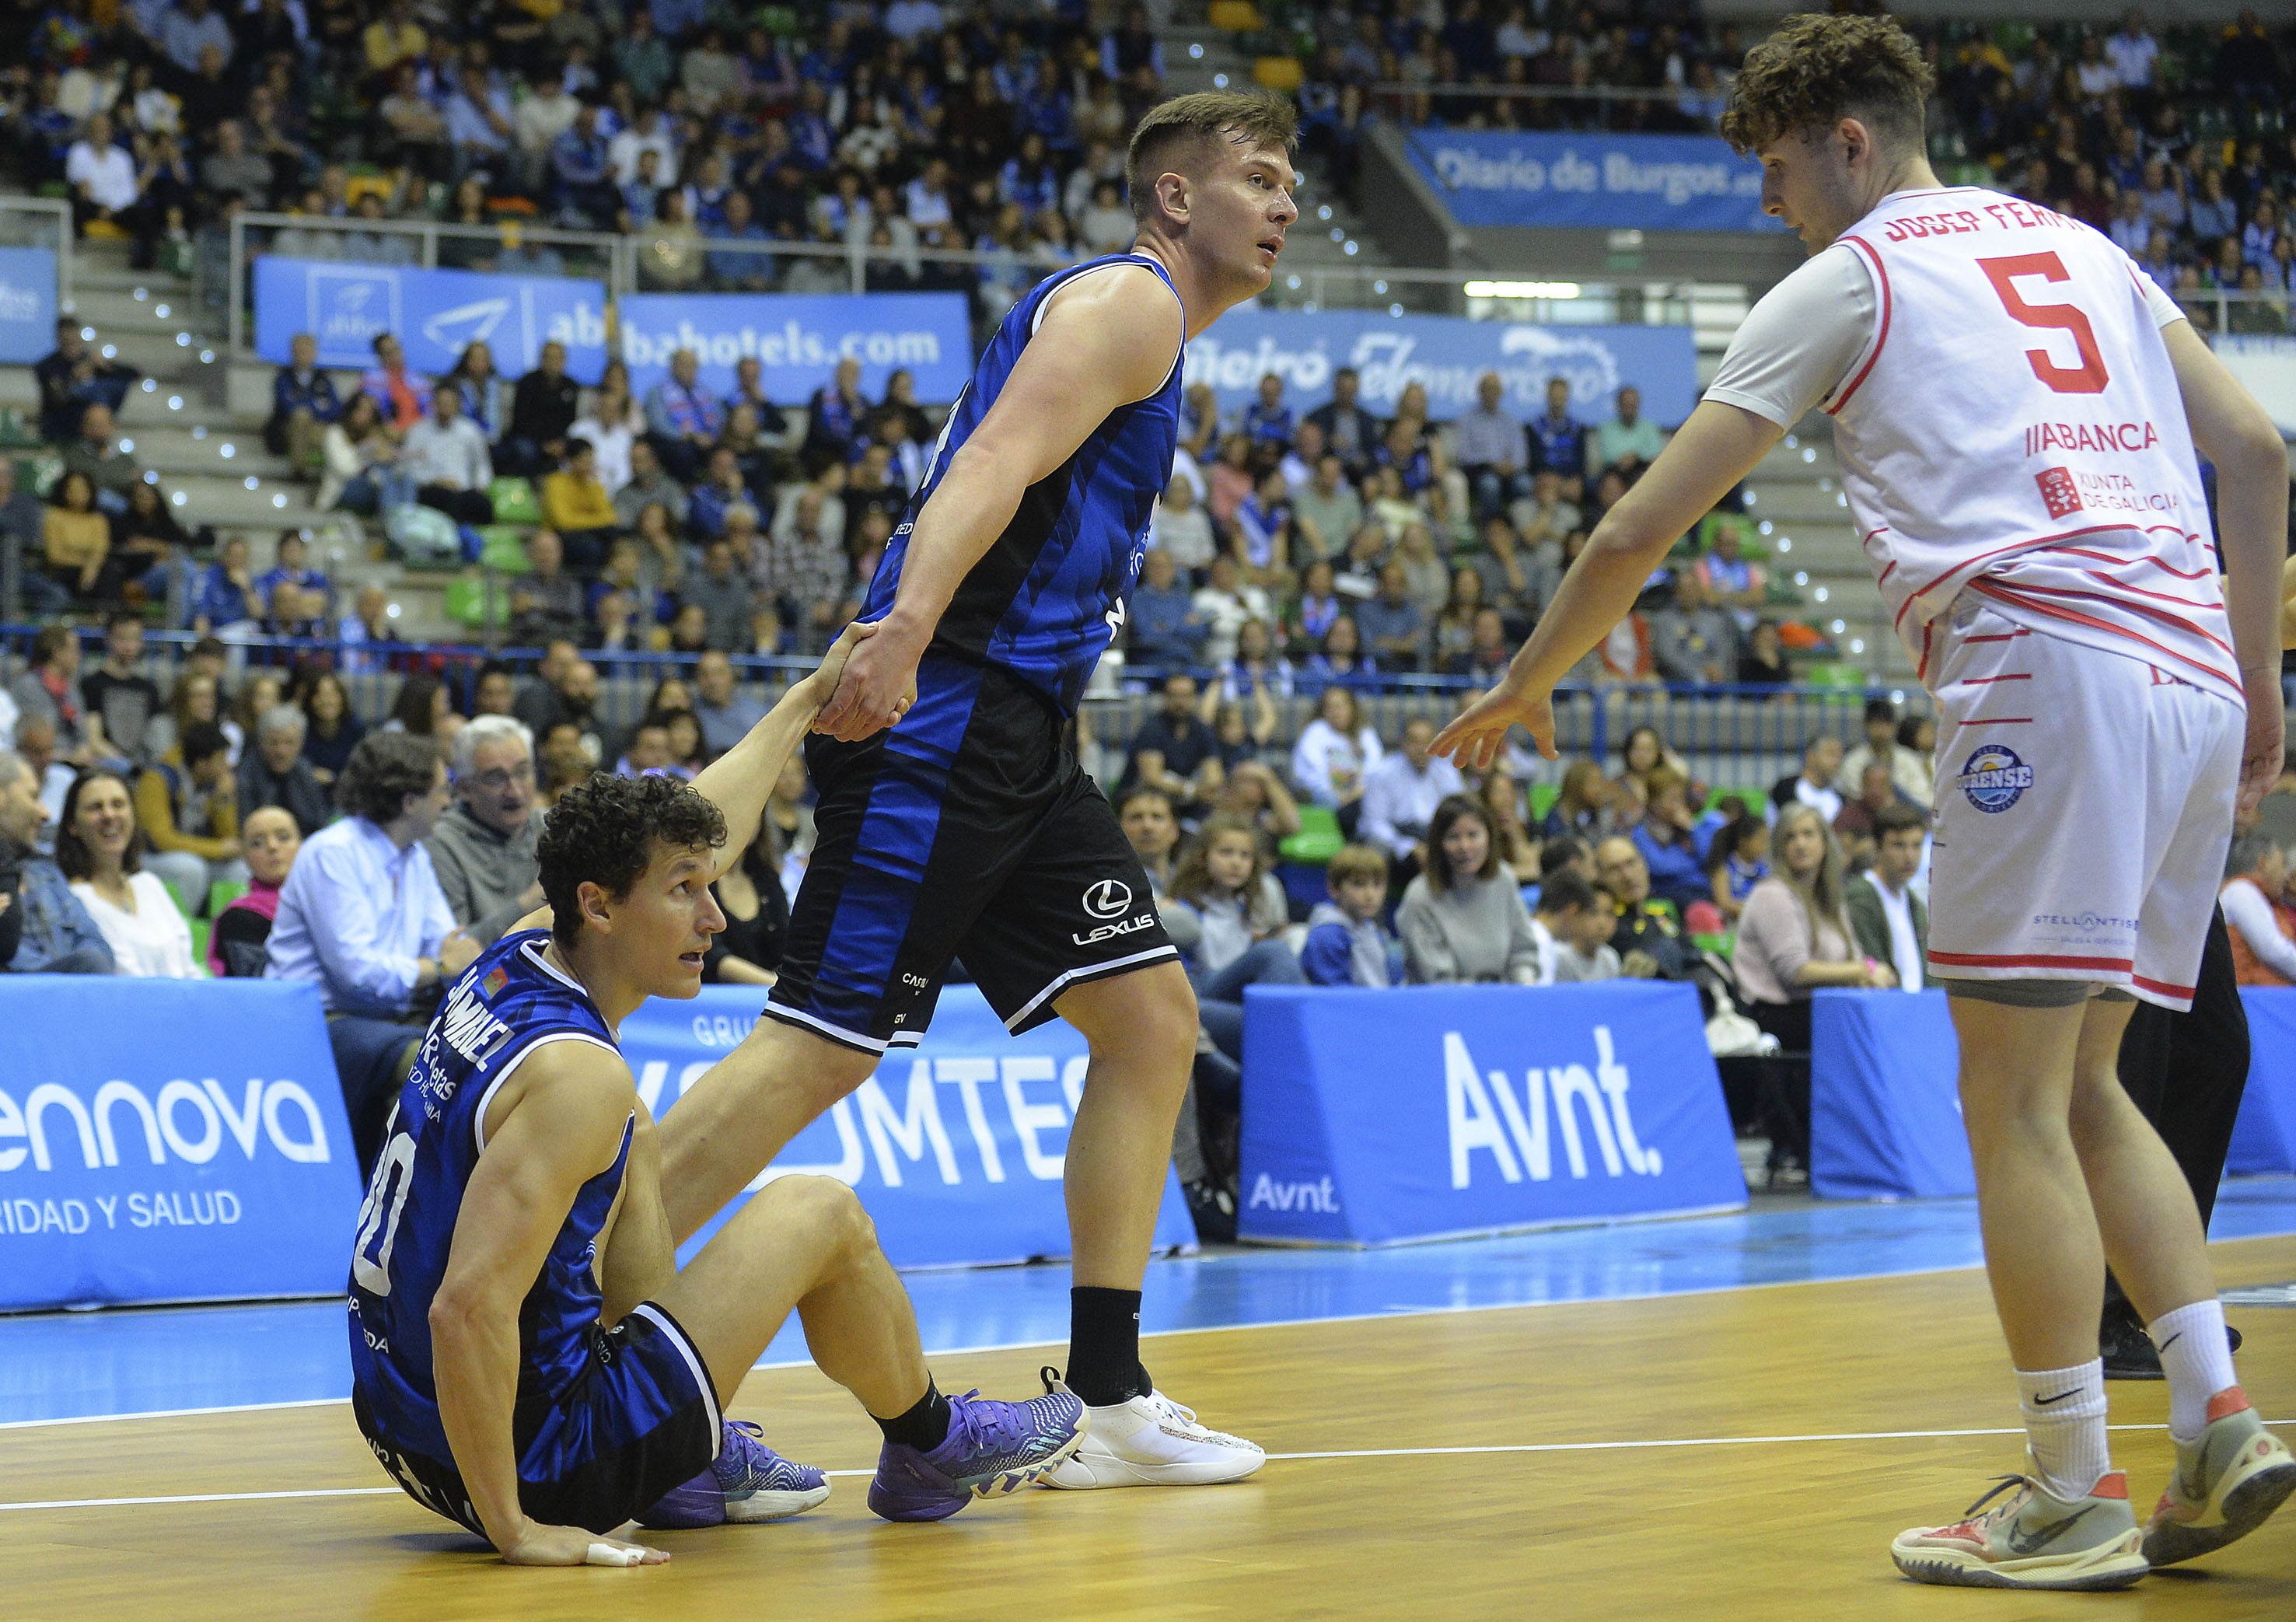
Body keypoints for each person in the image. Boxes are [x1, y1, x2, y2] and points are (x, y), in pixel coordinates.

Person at [1432, 12, 2295, 1583]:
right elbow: (2250, 446)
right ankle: (2218, 1409)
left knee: (2013, 1098)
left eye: (1775, 168)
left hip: (2045, 654)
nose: (1770, 205)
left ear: (1848, 140)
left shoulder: (1853, 276)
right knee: (2092, 1084)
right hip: (2188, 672)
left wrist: (1530, 677)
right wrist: (2264, 690)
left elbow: (1637, 527)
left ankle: (2070, 1481)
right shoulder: (2086, 246)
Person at [655, 92, 1303, 1486]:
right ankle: (573, 1335)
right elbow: (996, 462)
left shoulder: (1149, 333)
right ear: (1175, 200)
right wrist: (899, 632)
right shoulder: (1130, 302)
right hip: (946, 704)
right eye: (1258, 176)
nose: (1288, 202)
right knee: (820, 1046)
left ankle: (1111, 1398)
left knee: (1148, 1021)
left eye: (1293, 179)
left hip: (1022, 727)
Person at [347, 655, 1089, 1563]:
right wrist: (516, 1528)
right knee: (818, 1210)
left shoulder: (513, 954)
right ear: (600, 905)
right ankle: (932, 1443)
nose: (715, 918)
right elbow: (466, 1309)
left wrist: (801, 705)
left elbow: (700, 831)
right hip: (533, 1464)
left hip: (405, 1423)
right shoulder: (578, 1073)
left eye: (708, 885)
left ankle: (684, 1455)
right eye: (684, 892)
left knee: (633, 1138)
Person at [265, 734, 476, 1173]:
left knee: (487, 1058)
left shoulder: (414, 856)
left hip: (380, 1021)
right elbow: (357, 973)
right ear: (409, 801)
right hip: (319, 1022)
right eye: (442, 789)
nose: (449, 801)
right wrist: (436, 967)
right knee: (431, 1067)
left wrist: (444, 962)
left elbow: (452, 945)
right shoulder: (332, 853)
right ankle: (392, 1209)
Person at [58, 768, 200, 978]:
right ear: (72, 826)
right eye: (96, 807)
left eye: (118, 804)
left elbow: (188, 966)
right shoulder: (74, 899)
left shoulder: (149, 884)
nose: (109, 815)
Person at [427, 716, 546, 950]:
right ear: (464, 789)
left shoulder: (552, 827)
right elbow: (453, 952)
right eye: (496, 778)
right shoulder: (442, 844)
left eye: (523, 772)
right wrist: (529, 905)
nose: (514, 790)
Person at [0, 751, 114, 974]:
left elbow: (100, 949)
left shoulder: (44, 870)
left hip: (67, 993)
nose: (45, 813)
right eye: (33, 797)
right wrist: (62, 974)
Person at [135, 720, 246, 907]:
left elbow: (228, 837)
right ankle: (183, 928)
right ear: (202, 764)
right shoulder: (156, 780)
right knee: (191, 869)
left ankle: (223, 929)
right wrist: (219, 850)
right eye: (221, 759)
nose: (227, 765)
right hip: (151, 857)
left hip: (196, 853)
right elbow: (161, 840)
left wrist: (224, 800)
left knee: (240, 870)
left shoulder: (215, 784)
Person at [1359, 716, 1466, 877]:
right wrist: (1409, 847)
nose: (1421, 748)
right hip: (1395, 838)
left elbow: (1459, 816)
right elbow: (1375, 824)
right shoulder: (1382, 773)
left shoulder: (1448, 774)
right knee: (1375, 851)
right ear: (1403, 743)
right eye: (1414, 741)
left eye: (1427, 741)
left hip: (1435, 838)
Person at [1846, 801, 1928, 991]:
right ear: (1877, 847)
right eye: (1899, 846)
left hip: (1919, 1007)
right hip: (1888, 1006)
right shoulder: (1861, 898)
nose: (1909, 856)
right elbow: (1874, 964)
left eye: (1917, 846)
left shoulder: (1915, 903)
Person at [210, 805, 299, 977]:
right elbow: (259, 985)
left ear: (302, 846)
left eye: (283, 837)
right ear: (245, 857)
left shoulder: (324, 904)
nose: (272, 846)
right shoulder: (239, 918)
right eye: (257, 843)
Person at [1300, 842, 1403, 988]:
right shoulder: (1328, 935)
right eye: (1359, 885)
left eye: (1377, 884)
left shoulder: (1372, 930)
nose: (1370, 895)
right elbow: (1335, 995)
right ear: (1334, 888)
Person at [1121, 672, 1221, 813]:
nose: (1180, 702)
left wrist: (1198, 791)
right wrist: (1192, 790)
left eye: (1186, 696)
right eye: (1175, 696)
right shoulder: (1152, 728)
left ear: (1195, 698)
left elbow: (1215, 777)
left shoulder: (1202, 729)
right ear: (1165, 698)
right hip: (1148, 801)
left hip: (1190, 804)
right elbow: (1152, 778)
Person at [400, 386, 496, 526]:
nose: (444, 408)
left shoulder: (470, 431)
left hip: (463, 490)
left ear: (458, 405)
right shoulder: (418, 431)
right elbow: (408, 467)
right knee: (450, 501)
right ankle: (456, 540)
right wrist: (435, 481)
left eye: (449, 403)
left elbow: (481, 464)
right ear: (433, 404)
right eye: (441, 403)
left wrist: (480, 485)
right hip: (430, 488)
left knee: (483, 506)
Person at [1288, 685, 1381, 824]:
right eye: (1330, 708)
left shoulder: (1366, 733)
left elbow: (1376, 769)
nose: (1336, 712)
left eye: (1340, 707)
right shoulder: (1315, 732)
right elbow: (1313, 775)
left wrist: (1357, 791)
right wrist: (1344, 793)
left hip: (1361, 792)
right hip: (1323, 794)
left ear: (1352, 708)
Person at [2217, 831, 2296, 984]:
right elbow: (2273, 951)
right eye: (2281, 865)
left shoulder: (2262, 898)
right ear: (2263, 863)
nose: (2286, 876)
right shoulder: (2240, 891)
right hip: (2249, 999)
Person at [265, 332, 342, 470]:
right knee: (301, 417)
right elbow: (288, 406)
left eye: (307, 351)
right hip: (288, 429)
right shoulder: (284, 378)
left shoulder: (323, 378)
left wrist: (310, 409)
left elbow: (334, 408)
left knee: (332, 433)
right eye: (299, 351)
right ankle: (299, 470)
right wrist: (316, 406)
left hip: (316, 427)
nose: (303, 355)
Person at [1770, 735, 1843, 824]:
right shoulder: (1784, 790)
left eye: (1840, 756)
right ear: (1811, 757)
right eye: (1831, 754)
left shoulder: (1841, 799)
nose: (1837, 762)